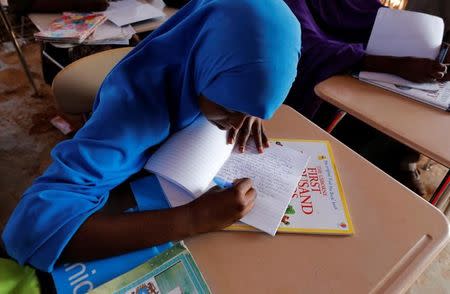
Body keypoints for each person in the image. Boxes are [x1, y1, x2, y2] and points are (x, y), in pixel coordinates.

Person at [2, 0, 301, 272]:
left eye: (252, 110)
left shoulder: (204, 54)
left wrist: (247, 107)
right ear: (207, 62)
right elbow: (28, 231)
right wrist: (194, 219)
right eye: (229, 106)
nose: (235, 123)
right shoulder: (130, 117)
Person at [282, 0, 449, 195]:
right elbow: (305, 45)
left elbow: (360, 10)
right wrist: (395, 65)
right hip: (308, 80)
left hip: (352, 62)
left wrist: (427, 45)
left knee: (410, 107)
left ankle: (396, 162)